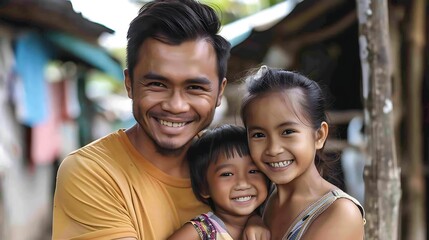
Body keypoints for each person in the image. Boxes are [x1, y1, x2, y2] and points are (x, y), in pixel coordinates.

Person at [52, 0, 237, 239]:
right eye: (157, 84)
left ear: (219, 92)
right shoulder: (92, 172)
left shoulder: (240, 167)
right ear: (129, 84)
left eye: (195, 87)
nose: (176, 105)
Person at [240, 65, 366, 240]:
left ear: (319, 135)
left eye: (288, 132)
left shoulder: (339, 212)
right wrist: (251, 219)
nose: (273, 149)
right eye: (259, 135)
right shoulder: (259, 199)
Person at [168, 124, 270, 240]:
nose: (243, 183)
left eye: (253, 171)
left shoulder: (273, 216)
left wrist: (256, 220)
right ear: (204, 187)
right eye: (227, 174)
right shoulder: (203, 230)